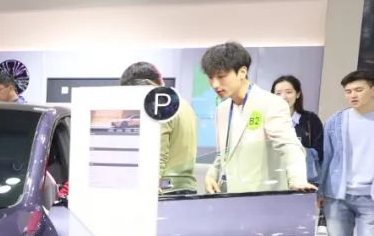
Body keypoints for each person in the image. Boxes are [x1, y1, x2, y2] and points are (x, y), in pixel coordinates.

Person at [201, 42, 312, 195]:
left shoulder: (271, 103)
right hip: (227, 195)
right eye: (210, 77)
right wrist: (211, 174)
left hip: (260, 197)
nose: (214, 84)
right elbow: (223, 153)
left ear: (242, 72)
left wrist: (297, 179)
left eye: (221, 76)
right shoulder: (222, 109)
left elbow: (289, 145)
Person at [318, 69, 374, 236]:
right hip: (338, 195)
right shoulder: (337, 121)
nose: (353, 95)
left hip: (370, 197)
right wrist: (321, 190)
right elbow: (327, 157)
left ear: (372, 89)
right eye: (348, 91)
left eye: (359, 90)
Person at [120, 61, 197, 194]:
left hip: (164, 189)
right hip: (186, 186)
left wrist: (150, 184)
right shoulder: (182, 104)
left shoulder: (160, 106)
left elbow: (159, 152)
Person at [272, 75, 324, 184]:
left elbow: (320, 153)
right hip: (274, 181)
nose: (283, 97)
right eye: (278, 93)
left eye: (289, 92)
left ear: (298, 94)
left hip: (304, 181)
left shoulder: (311, 119)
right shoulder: (268, 120)